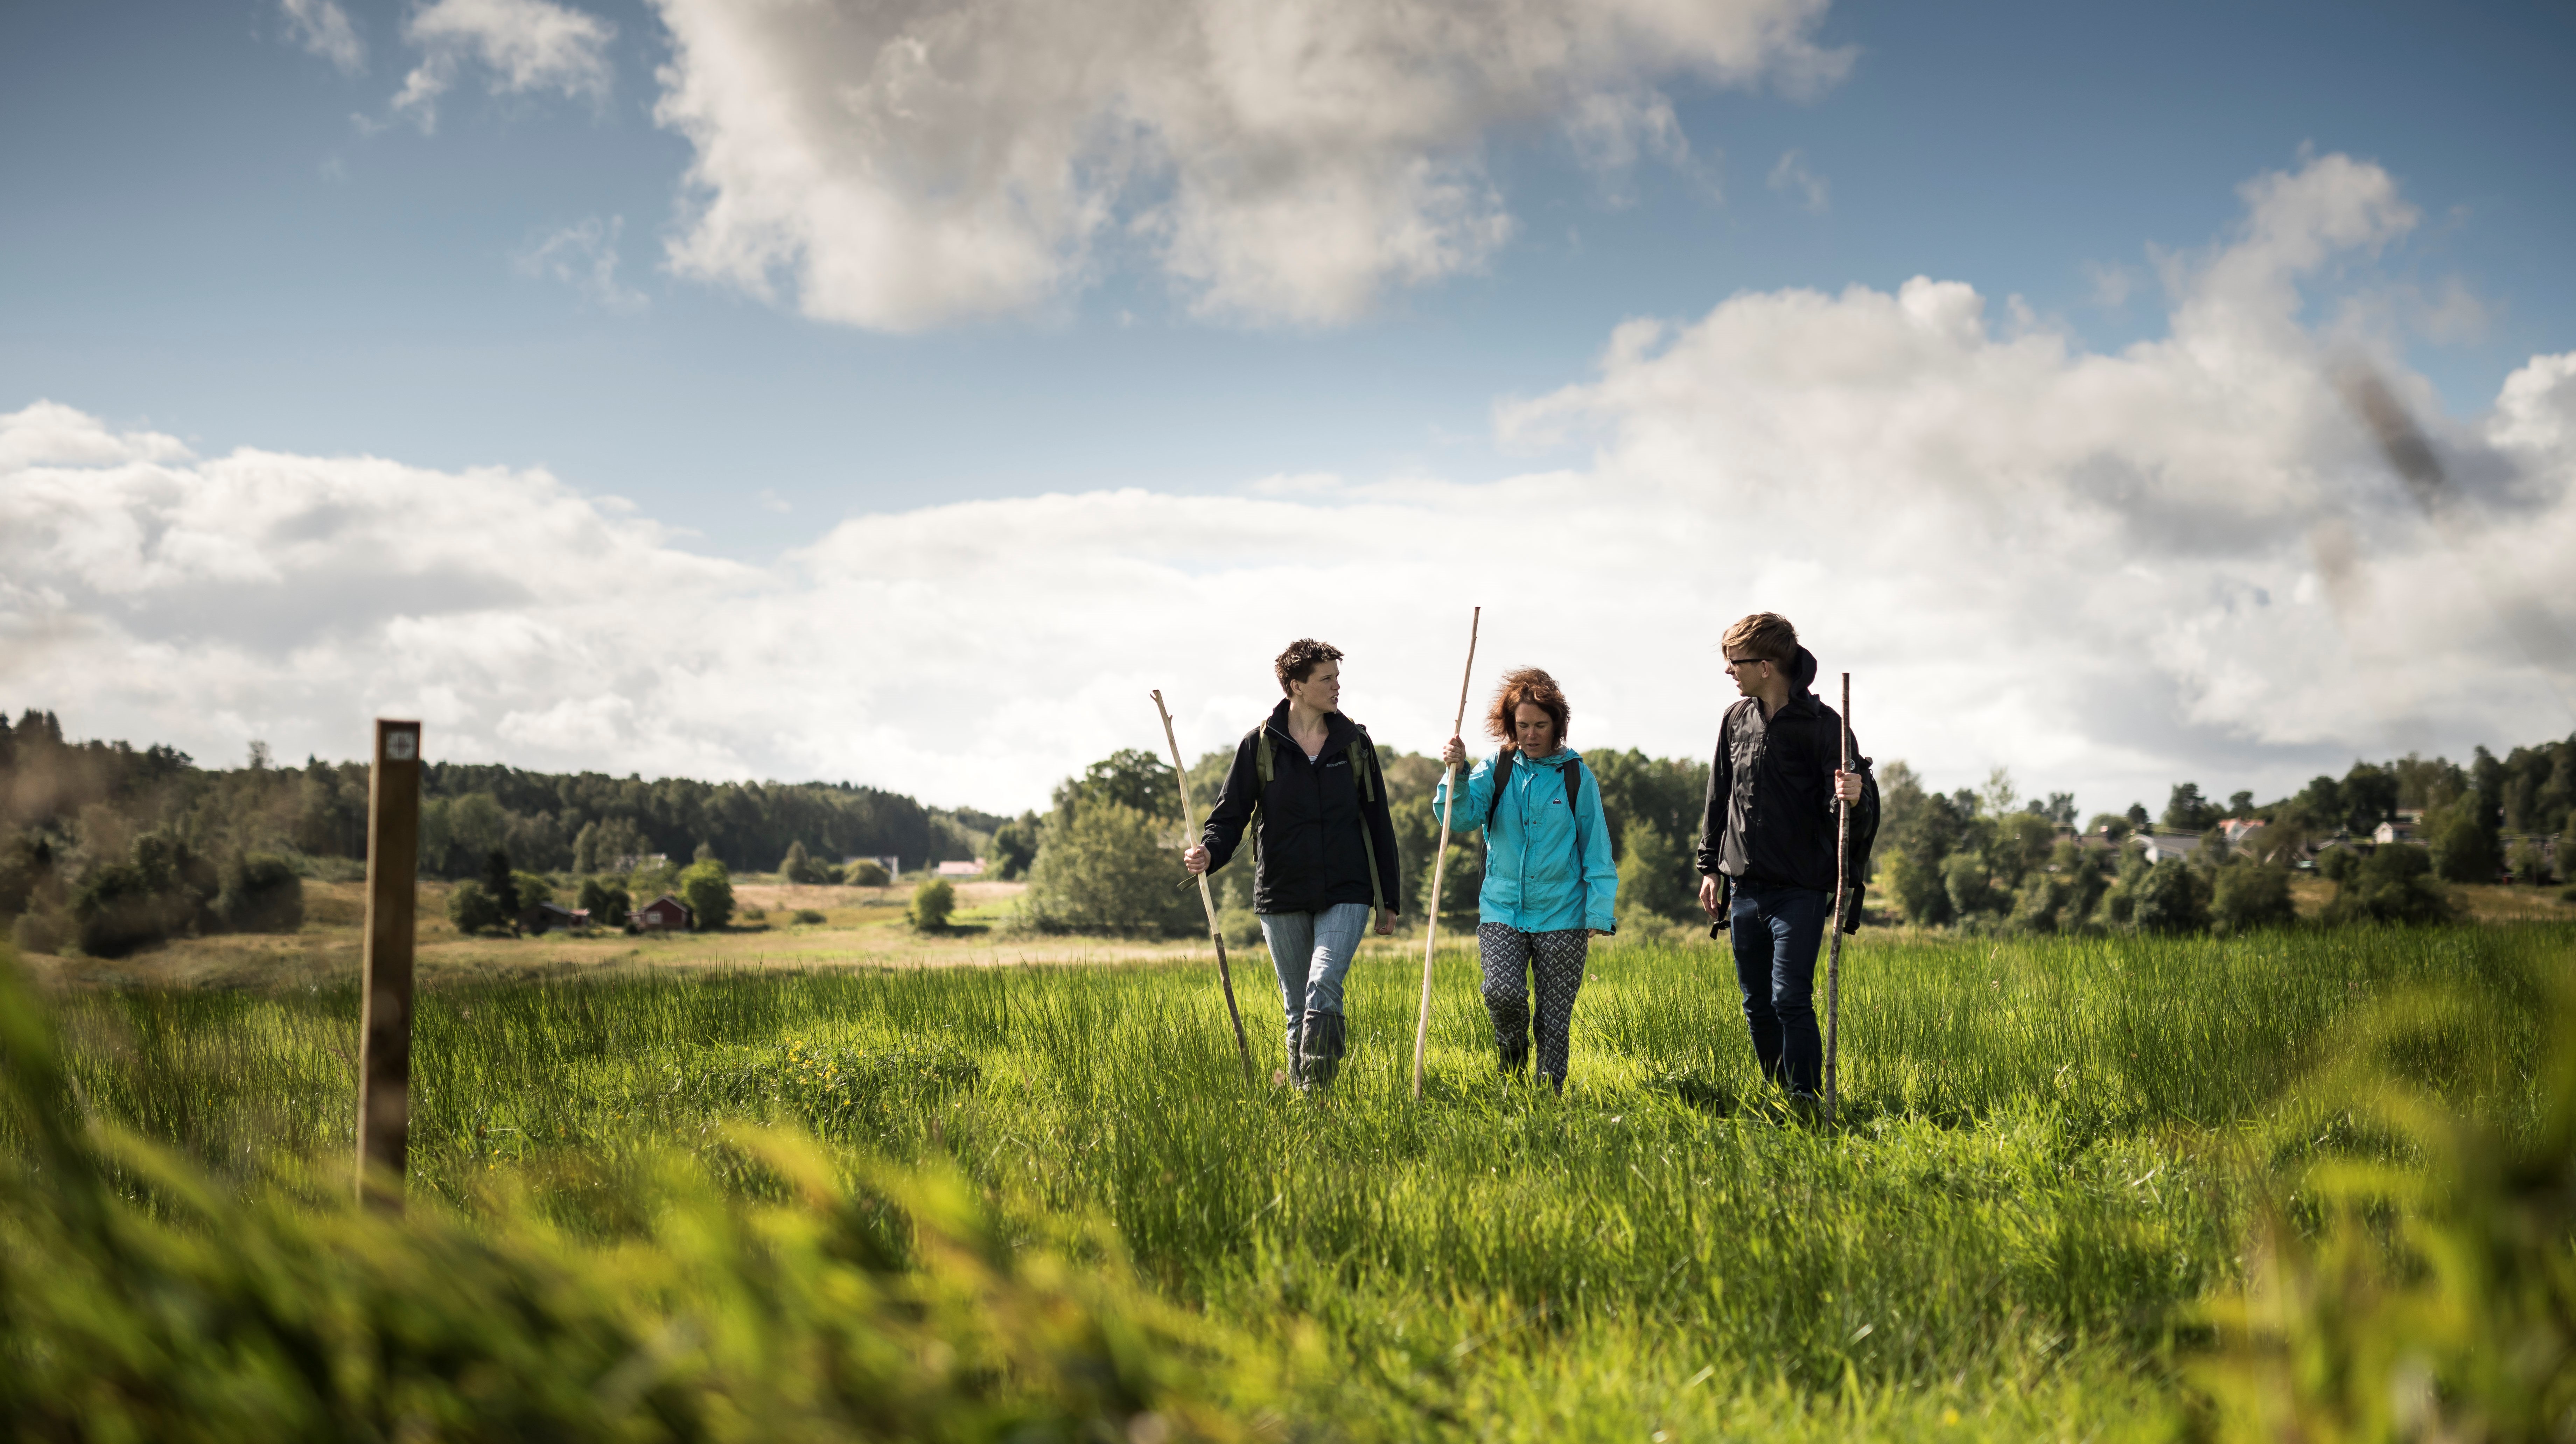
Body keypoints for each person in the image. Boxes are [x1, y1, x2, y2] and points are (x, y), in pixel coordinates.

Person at [1186, 639, 1402, 1089]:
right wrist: (1209, 852)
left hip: (1347, 889)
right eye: (1326, 679)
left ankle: (1316, 1089)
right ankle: (1309, 1112)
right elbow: (1229, 817)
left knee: (1322, 985)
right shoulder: (1259, 746)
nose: (1336, 687)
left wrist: (1389, 899)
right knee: (1297, 1007)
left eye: (1337, 677)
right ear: (1296, 686)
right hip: (1281, 892)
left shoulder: (1355, 743)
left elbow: (1377, 820)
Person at [1694, 613, 1878, 1109]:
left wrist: (1854, 797)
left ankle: (1806, 1098)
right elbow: (1720, 798)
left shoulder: (1827, 728)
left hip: (1800, 889)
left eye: (1736, 662)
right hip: (1744, 888)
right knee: (1756, 1005)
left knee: (1789, 997)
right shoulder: (1736, 720)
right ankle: (1778, 1097)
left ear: (1768, 665)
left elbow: (1849, 820)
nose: (1730, 671)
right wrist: (1711, 867)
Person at [1435, 667, 1617, 1093]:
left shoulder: (1575, 777)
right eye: (1523, 725)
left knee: (1554, 1020)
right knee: (1502, 993)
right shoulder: (1494, 770)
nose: (1531, 734)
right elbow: (1455, 818)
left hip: (1564, 915)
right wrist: (1456, 774)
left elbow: (1596, 848)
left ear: (1557, 725)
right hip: (1501, 909)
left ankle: (1548, 1098)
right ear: (1509, 725)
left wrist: (1599, 911)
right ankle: (1511, 1054)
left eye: (1540, 725)